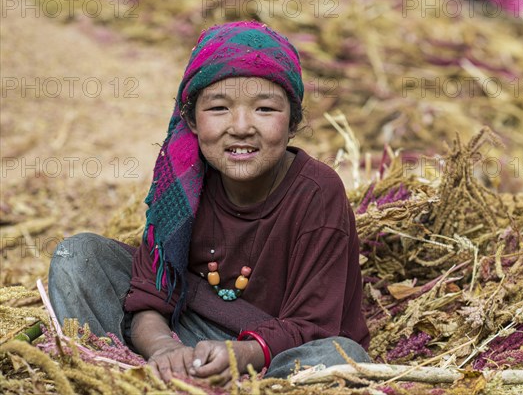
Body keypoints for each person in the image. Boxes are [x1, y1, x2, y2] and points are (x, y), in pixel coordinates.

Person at [48, 20, 370, 383]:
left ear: (293, 122)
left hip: (276, 356)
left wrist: (244, 353)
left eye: (265, 109)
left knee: (340, 356)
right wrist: (165, 350)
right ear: (192, 119)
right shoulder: (182, 183)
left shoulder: (317, 192)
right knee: (78, 256)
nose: (242, 126)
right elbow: (150, 297)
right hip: (188, 341)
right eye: (219, 108)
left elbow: (315, 324)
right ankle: (123, 377)